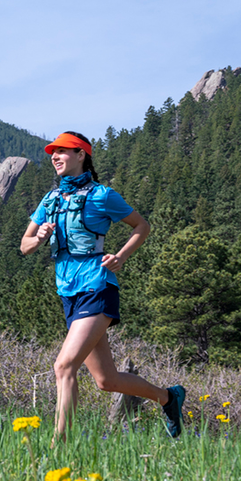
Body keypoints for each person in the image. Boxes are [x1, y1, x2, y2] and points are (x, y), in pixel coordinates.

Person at [19, 131, 185, 439]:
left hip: (97, 287)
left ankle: (61, 449)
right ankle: (168, 398)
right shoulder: (50, 200)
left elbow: (141, 226)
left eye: (62, 152)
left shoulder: (102, 195)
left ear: (81, 155)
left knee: (64, 367)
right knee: (106, 381)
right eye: (52, 153)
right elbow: (24, 245)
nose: (55, 157)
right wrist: (39, 238)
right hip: (68, 292)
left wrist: (120, 256)